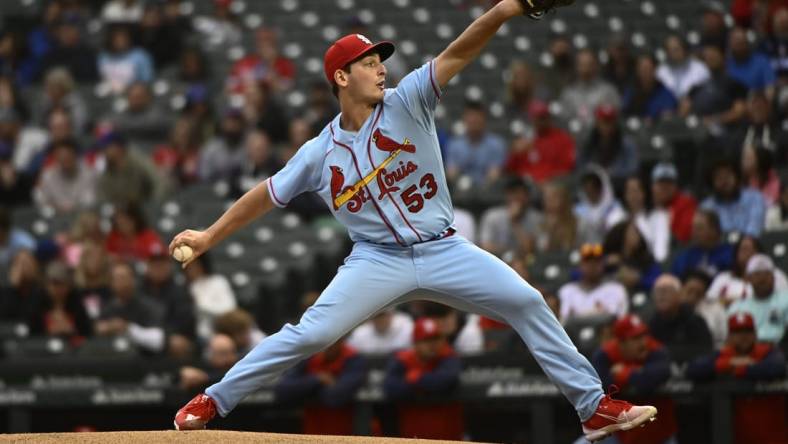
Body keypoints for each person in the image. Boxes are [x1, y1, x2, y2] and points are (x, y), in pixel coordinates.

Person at [172, 4, 658, 441]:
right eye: (368, 63)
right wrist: (210, 235)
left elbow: (459, 52)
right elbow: (265, 196)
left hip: (443, 248)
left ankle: (593, 408)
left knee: (527, 301)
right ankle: (212, 400)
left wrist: (506, 9)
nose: (380, 68)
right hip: (376, 261)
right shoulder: (319, 152)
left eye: (379, 60)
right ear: (341, 77)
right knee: (311, 335)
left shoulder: (409, 101)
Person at [686, 312, 788, 444]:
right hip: (739, 436)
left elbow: (778, 368)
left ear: (755, 334)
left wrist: (741, 368)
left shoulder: (767, 352)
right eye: (738, 332)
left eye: (747, 331)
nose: (743, 336)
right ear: (729, 336)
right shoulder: (723, 355)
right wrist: (728, 364)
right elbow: (692, 370)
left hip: (773, 436)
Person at [590, 315, 676, 444]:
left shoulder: (656, 350)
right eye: (636, 338)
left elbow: (653, 379)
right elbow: (599, 388)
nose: (643, 342)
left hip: (658, 434)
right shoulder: (605, 355)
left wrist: (625, 373)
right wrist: (638, 373)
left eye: (643, 335)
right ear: (621, 342)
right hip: (616, 434)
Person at [383, 317, 463, 440]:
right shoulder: (403, 359)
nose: (433, 344)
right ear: (415, 343)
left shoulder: (449, 356)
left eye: (436, 339)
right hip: (413, 433)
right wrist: (424, 385)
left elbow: (446, 381)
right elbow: (390, 388)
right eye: (427, 340)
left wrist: (417, 378)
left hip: (447, 434)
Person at [275, 337, 366, 436]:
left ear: (340, 341)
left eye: (332, 342)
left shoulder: (353, 358)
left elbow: (334, 397)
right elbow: (282, 391)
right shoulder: (309, 357)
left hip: (344, 432)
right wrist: (317, 379)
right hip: (312, 431)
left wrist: (305, 390)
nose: (327, 347)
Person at [95, 261, 166, 354]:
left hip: (144, 359)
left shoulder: (147, 306)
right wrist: (104, 328)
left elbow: (158, 339)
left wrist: (127, 328)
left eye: (123, 278)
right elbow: (98, 329)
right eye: (116, 279)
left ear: (133, 280)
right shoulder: (108, 308)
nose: (120, 282)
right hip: (113, 359)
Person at [142, 247, 197, 359]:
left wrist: (166, 336)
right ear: (147, 267)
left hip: (170, 336)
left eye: (162, 264)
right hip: (143, 335)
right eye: (154, 265)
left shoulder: (180, 290)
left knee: (178, 344)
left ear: (169, 266)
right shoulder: (139, 289)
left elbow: (185, 321)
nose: (158, 268)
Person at [504, 100, 576, 183]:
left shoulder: (563, 139)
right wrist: (514, 153)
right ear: (532, 119)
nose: (541, 121)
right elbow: (509, 169)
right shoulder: (525, 140)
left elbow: (566, 168)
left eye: (543, 117)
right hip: (525, 187)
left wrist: (549, 181)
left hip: (551, 185)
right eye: (537, 118)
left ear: (549, 118)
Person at [707, 235, 788, 306]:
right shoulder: (723, 277)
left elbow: (783, 300)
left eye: (751, 250)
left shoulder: (775, 275)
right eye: (743, 249)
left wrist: (736, 302)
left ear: (759, 253)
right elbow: (709, 302)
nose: (747, 254)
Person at [558, 243, 629, 324]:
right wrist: (598, 313)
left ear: (603, 264)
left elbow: (616, 319)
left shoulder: (616, 289)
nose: (592, 265)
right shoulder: (567, 290)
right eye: (588, 261)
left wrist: (577, 316)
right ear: (580, 265)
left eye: (596, 261)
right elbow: (564, 321)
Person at [728, 254, 788, 343]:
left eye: (766, 273)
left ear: (774, 277)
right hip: (748, 351)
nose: (762, 278)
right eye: (757, 274)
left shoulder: (786, 299)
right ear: (748, 279)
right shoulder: (738, 307)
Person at [445, 101, 507, 187]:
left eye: (477, 116)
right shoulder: (454, 145)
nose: (474, 120)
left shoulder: (496, 144)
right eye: (470, 116)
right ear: (464, 119)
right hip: (460, 192)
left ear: (484, 119)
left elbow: (494, 174)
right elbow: (451, 173)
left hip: (487, 191)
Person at [479, 176, 543, 257]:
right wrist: (510, 253)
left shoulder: (536, 218)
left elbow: (529, 250)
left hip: (526, 262)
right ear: (506, 195)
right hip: (497, 261)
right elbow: (485, 247)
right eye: (512, 193)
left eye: (519, 193)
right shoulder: (492, 216)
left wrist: (514, 222)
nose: (515, 197)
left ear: (527, 196)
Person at [701, 158, 766, 236]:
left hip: (749, 245)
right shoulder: (706, 207)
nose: (724, 181)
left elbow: (754, 229)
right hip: (720, 246)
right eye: (719, 177)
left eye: (728, 175)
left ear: (736, 177)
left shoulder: (754, 198)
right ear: (712, 182)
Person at [647, 274, 713, 352]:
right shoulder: (652, 322)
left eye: (667, 291)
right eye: (658, 291)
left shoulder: (695, 321)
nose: (661, 295)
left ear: (679, 295)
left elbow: (705, 350)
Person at [27, 260, 92, 339]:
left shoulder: (76, 303)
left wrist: (71, 330)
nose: (56, 288)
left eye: (60, 283)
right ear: (46, 285)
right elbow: (31, 333)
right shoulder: (36, 303)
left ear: (69, 285)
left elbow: (86, 332)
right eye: (52, 283)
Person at [559, 48, 621, 127]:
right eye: (582, 65)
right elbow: (563, 119)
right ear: (576, 67)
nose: (586, 69)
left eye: (590, 64)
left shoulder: (608, 91)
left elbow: (615, 117)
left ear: (596, 66)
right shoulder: (568, 93)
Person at [34, 138, 97, 214]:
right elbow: (41, 200)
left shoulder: (89, 173)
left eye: (68, 157)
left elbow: (89, 201)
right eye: (61, 157)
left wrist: (72, 207)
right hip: (55, 216)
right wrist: (57, 207)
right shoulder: (47, 175)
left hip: (81, 215)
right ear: (55, 157)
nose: (65, 160)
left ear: (75, 155)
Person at [183, 253, 237, 343]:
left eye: (195, 266)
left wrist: (201, 305)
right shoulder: (187, 287)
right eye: (189, 267)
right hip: (202, 336)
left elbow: (230, 308)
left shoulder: (218, 281)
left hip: (226, 330)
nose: (192, 270)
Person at [579, 105, 638, 185]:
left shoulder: (626, 144)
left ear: (615, 123)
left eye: (609, 122)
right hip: (594, 185)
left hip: (618, 185)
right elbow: (581, 166)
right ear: (597, 122)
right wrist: (595, 172)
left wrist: (612, 173)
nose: (606, 126)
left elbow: (632, 168)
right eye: (603, 122)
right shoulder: (589, 143)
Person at [227, 27, 296, 95]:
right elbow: (230, 87)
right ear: (257, 45)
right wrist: (248, 84)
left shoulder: (285, 64)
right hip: (247, 99)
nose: (266, 47)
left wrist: (274, 78)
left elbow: (287, 89)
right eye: (262, 43)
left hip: (274, 101)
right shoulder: (245, 62)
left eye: (270, 43)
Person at [618, 175, 670, 262]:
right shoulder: (619, 216)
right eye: (629, 191)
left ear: (645, 192)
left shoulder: (659, 217)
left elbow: (661, 254)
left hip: (649, 266)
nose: (633, 196)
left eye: (636, 191)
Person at [603, 220, 662, 293]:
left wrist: (638, 280)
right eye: (633, 233)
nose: (637, 236)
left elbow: (657, 281)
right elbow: (586, 273)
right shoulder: (607, 259)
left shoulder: (647, 260)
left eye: (637, 232)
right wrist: (604, 263)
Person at [574, 165, 625, 245]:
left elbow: (616, 235)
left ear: (601, 188)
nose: (590, 192)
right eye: (586, 188)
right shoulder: (578, 211)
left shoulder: (615, 209)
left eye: (593, 187)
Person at [97, 25, 154, 95]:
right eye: (117, 39)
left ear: (129, 39)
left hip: (132, 94)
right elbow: (99, 78)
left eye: (123, 39)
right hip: (108, 94)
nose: (120, 42)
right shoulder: (103, 56)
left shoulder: (140, 55)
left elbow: (146, 80)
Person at [651, 162, 697, 244]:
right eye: (661, 183)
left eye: (669, 183)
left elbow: (683, 236)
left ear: (676, 186)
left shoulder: (686, 204)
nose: (665, 187)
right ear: (653, 186)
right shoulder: (647, 206)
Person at [622, 54, 678, 121]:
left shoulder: (666, 94)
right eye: (642, 69)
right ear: (637, 70)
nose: (645, 72)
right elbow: (624, 113)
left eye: (648, 69)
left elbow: (668, 118)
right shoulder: (630, 91)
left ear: (654, 70)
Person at [680, 270, 727, 349]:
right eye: (689, 291)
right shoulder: (672, 308)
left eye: (698, 294)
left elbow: (724, 338)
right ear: (681, 289)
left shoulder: (716, 310)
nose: (692, 297)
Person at [656, 35, 710, 101]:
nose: (674, 53)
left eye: (676, 49)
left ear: (684, 49)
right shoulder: (660, 72)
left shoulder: (699, 68)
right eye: (670, 50)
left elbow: (707, 92)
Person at [727, 27, 776, 95]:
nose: (740, 48)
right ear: (730, 45)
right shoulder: (726, 65)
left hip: (758, 101)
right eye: (737, 44)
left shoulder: (761, 61)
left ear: (748, 44)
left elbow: (770, 87)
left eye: (742, 43)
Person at [347, 308, 413, 355]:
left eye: (383, 315)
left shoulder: (405, 325)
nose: (381, 319)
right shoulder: (359, 333)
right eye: (377, 316)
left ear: (391, 314)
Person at [538, 180, 578, 252]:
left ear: (564, 199)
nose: (550, 202)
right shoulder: (541, 224)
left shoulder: (580, 224)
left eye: (554, 197)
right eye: (547, 198)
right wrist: (551, 231)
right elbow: (543, 252)